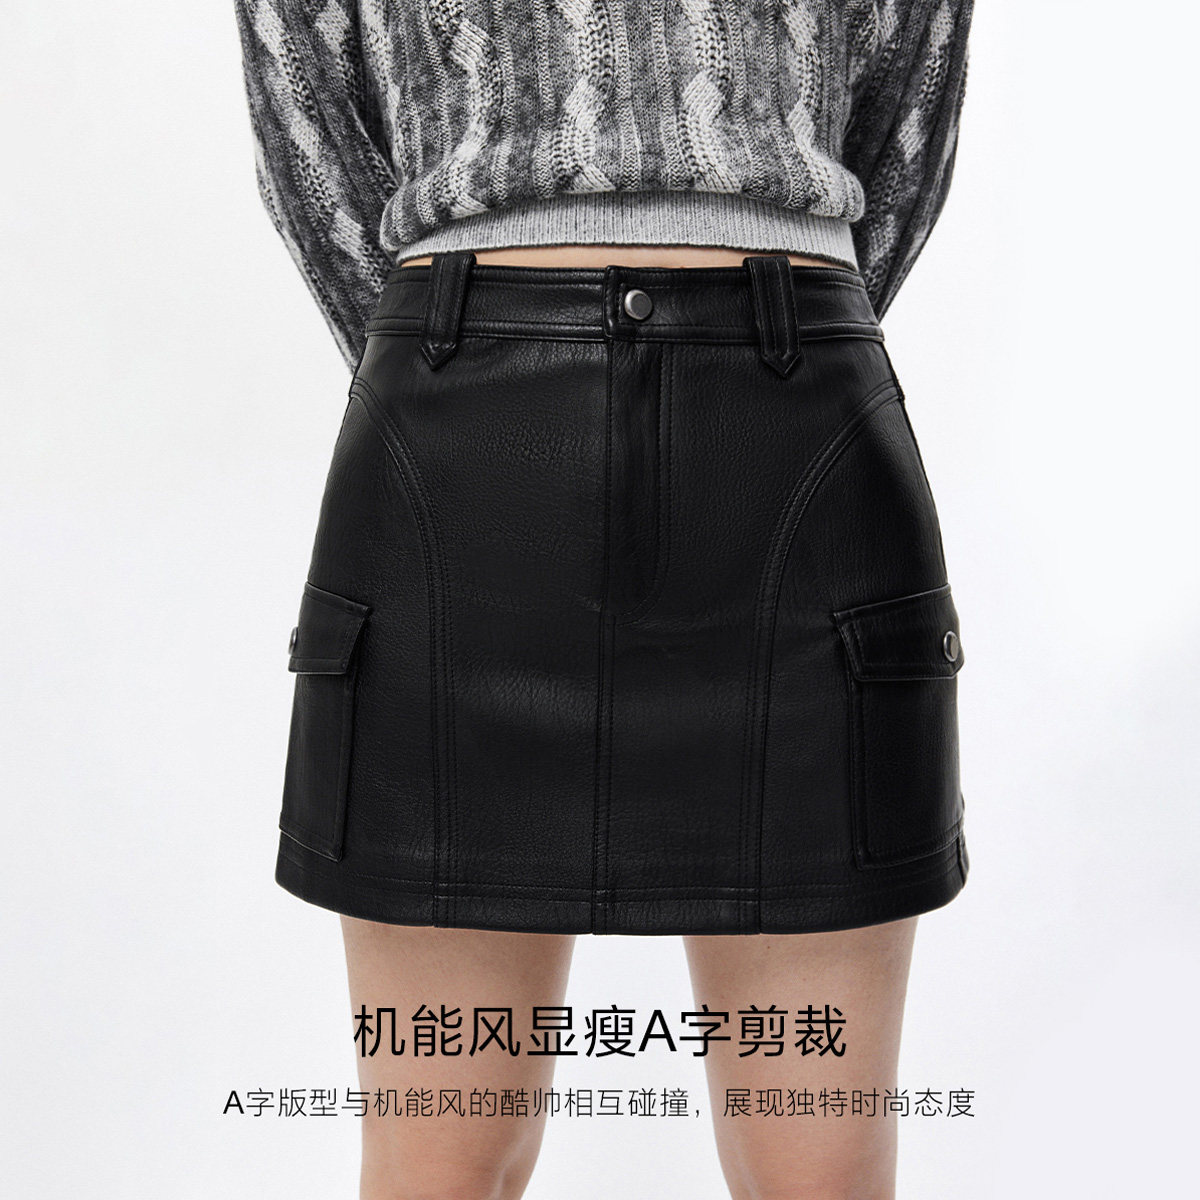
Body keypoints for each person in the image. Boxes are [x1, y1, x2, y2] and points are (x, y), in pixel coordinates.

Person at [234, 3, 976, 1197]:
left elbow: (907, 115)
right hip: (467, 466)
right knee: (439, 1161)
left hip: (788, 463)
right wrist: (445, 342)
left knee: (821, 1165)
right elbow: (306, 123)